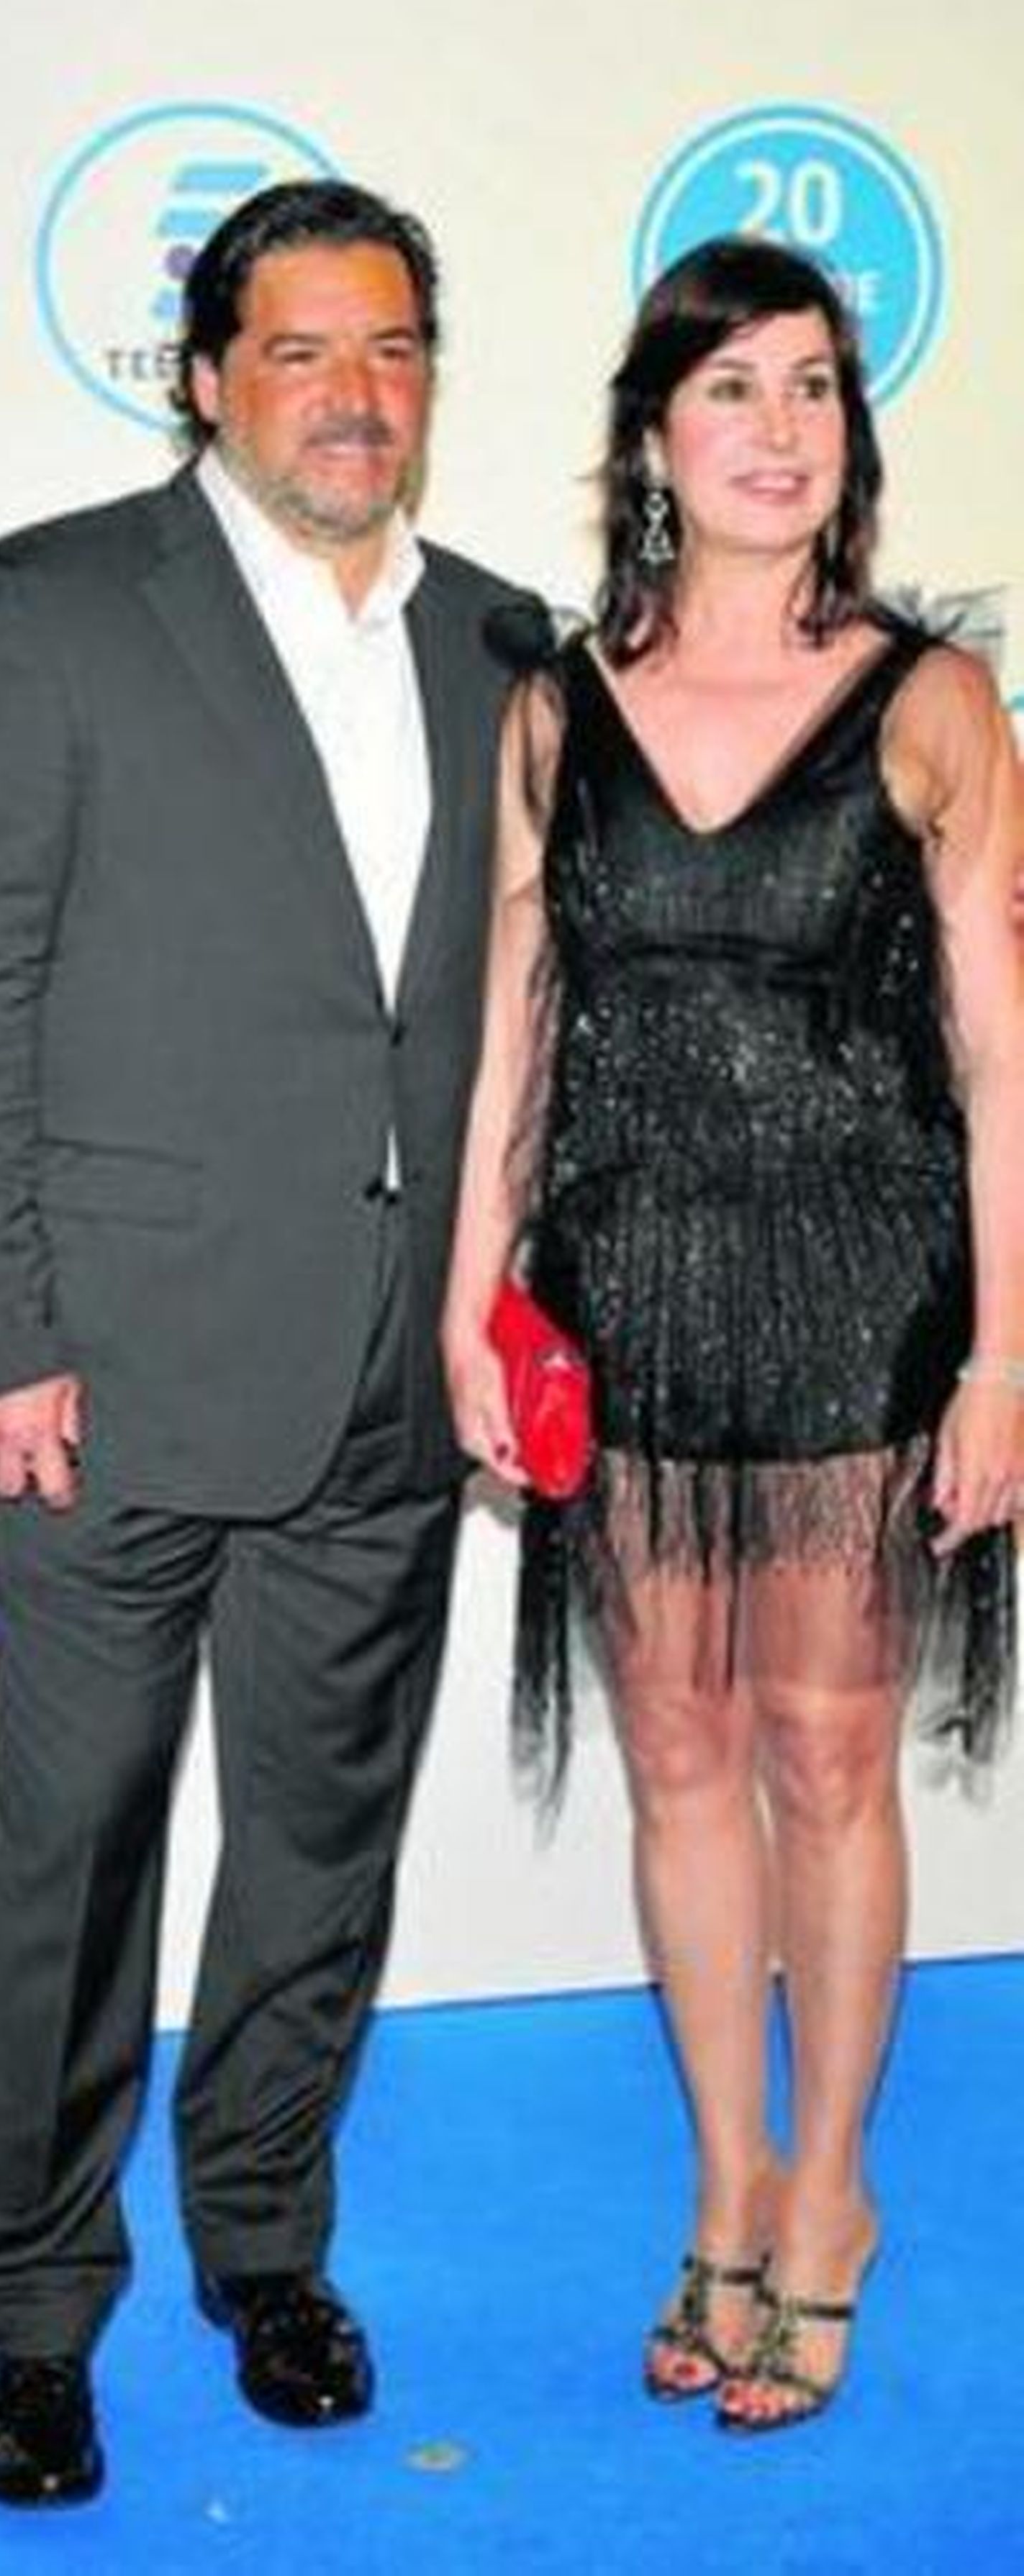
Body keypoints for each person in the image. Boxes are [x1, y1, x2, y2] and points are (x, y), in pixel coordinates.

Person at [0, 179, 527, 2505]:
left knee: (322, 1852)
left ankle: (268, 2241)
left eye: (394, 350)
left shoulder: (505, 643)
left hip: (388, 1371)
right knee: (70, 1847)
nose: (356, 397)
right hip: (108, 1373)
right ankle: (27, 2310)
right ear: (208, 377)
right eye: (303, 351)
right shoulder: (44, 609)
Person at [443, 236, 1024, 2432]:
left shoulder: (934, 702)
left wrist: (1006, 1354)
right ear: (654, 437)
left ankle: (834, 2195)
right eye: (732, 389)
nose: (781, 430)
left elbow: (1004, 1058)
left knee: (824, 1752)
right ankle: (726, 2182)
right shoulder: (551, 707)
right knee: (677, 1754)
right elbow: (514, 1032)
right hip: (624, 1299)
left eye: (814, 387)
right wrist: (472, 1297)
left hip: (862, 1300)